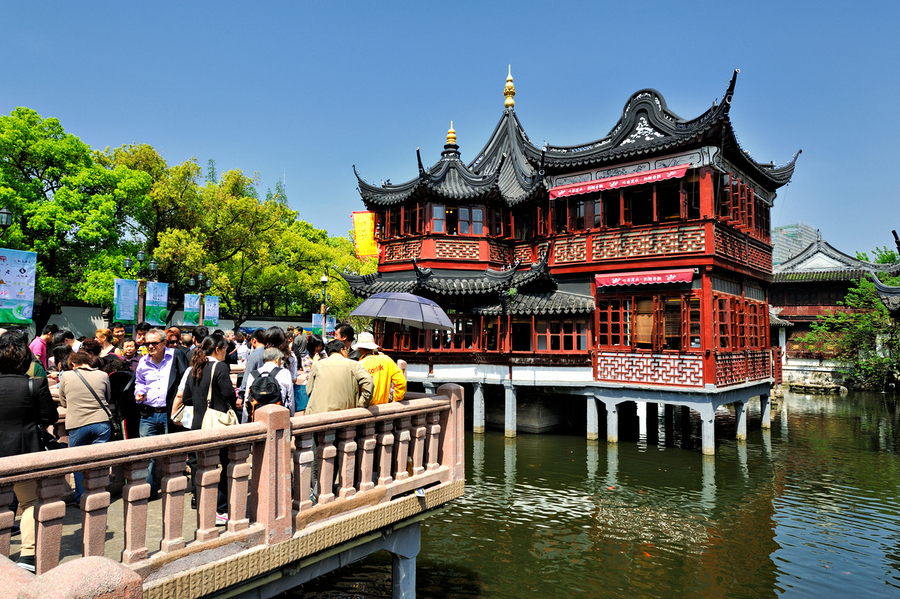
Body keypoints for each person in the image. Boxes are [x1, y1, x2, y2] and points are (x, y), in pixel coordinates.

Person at [0, 329, 56, 572]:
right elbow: (49, 417)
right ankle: (27, 555)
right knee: (29, 502)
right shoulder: (35, 385)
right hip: (25, 450)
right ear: (26, 358)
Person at [172, 334, 236, 523]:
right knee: (225, 463)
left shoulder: (194, 368)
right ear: (217, 349)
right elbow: (228, 393)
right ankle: (220, 509)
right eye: (224, 348)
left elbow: (187, 399)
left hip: (197, 425)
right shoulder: (220, 366)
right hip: (217, 424)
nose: (226, 351)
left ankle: (201, 504)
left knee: (199, 465)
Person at [134, 328, 189, 499]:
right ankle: (149, 490)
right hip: (148, 413)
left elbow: (186, 380)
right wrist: (139, 393)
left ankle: (173, 488)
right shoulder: (143, 362)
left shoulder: (176, 356)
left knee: (172, 451)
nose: (150, 346)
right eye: (147, 343)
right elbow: (140, 382)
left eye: (154, 343)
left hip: (169, 413)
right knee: (147, 453)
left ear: (164, 343)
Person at [59, 350, 114, 504]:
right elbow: (107, 398)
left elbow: (63, 401)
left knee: (78, 463)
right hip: (101, 422)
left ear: (73, 364)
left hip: (77, 423)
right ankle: (98, 495)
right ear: (89, 362)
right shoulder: (103, 375)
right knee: (98, 461)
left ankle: (81, 498)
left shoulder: (66, 375)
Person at [305, 340, 373, 415]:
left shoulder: (317, 365)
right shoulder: (353, 364)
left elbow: (309, 390)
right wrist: (363, 402)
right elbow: (369, 382)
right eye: (346, 350)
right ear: (342, 350)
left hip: (318, 413)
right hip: (345, 413)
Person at [354, 332, 407, 405]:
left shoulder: (359, 365)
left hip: (366, 408)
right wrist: (396, 399)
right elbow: (401, 382)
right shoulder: (387, 360)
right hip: (383, 408)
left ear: (359, 348)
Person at [243, 347, 293, 418]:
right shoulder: (284, 372)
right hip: (278, 417)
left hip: (257, 417)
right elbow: (290, 399)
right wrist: (291, 417)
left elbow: (247, 400)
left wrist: (245, 421)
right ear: (277, 359)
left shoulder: (253, 374)